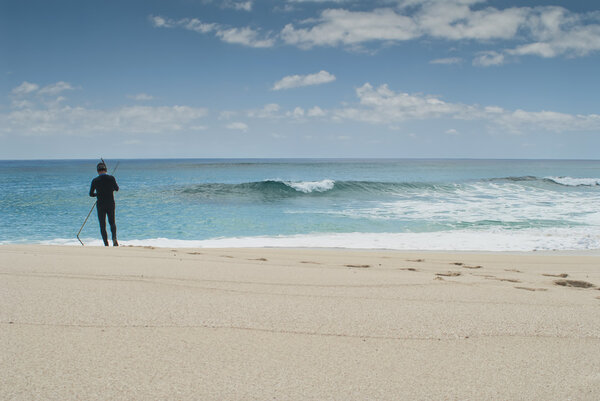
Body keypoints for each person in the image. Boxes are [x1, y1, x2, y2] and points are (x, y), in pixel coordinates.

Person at [89, 162, 119, 246]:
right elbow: (117, 189)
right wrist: (111, 189)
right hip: (110, 203)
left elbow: (91, 194)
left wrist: (97, 194)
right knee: (112, 222)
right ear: (105, 170)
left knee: (102, 224)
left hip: (100, 204)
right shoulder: (111, 178)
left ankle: (106, 243)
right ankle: (114, 239)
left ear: (98, 171)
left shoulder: (95, 180)